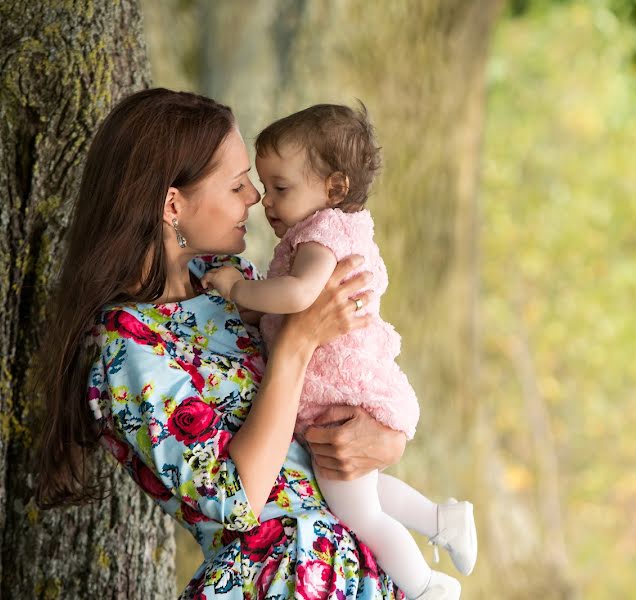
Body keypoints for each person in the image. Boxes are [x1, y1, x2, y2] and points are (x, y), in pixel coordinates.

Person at [35, 88, 413, 599]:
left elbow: (341, 372)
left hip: (356, 570)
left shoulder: (229, 281)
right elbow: (236, 500)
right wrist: (296, 344)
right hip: (277, 580)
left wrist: (383, 437)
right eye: (238, 185)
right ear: (173, 203)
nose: (256, 198)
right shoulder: (126, 349)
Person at [201, 103, 476, 600]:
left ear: (333, 188)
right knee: (358, 492)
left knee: (358, 511)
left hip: (339, 388)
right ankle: (442, 520)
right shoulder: (323, 231)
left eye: (280, 187)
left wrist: (239, 290)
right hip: (341, 388)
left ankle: (425, 586)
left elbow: (300, 297)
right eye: (264, 185)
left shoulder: (323, 234)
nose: (265, 201)